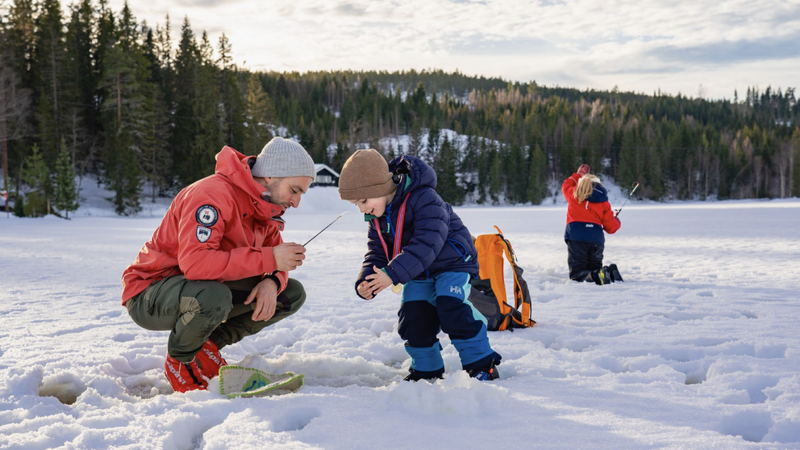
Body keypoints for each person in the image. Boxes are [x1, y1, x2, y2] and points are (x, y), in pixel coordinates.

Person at [121, 137, 314, 393]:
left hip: (198, 290)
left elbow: (275, 258)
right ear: (270, 176)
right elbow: (196, 264)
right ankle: (181, 361)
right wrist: (270, 259)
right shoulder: (211, 194)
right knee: (213, 296)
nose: (296, 202)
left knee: (290, 293)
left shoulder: (266, 209)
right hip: (149, 293)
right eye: (295, 190)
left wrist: (272, 280)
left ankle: (206, 347)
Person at [338, 149, 502, 381]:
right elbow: (376, 253)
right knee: (413, 316)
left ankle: (482, 364)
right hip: (418, 271)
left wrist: (392, 273)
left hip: (452, 263)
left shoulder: (424, 198)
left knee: (451, 306)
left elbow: (427, 244)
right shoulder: (377, 218)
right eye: (357, 204)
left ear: (381, 187)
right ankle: (426, 368)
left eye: (364, 201)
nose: (362, 209)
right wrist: (367, 279)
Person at [562, 164, 623, 285]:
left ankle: (600, 274)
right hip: (596, 241)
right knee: (595, 270)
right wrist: (617, 220)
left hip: (576, 238)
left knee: (577, 274)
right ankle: (610, 272)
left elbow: (566, 185)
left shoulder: (574, 195)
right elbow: (610, 228)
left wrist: (578, 175)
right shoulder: (604, 202)